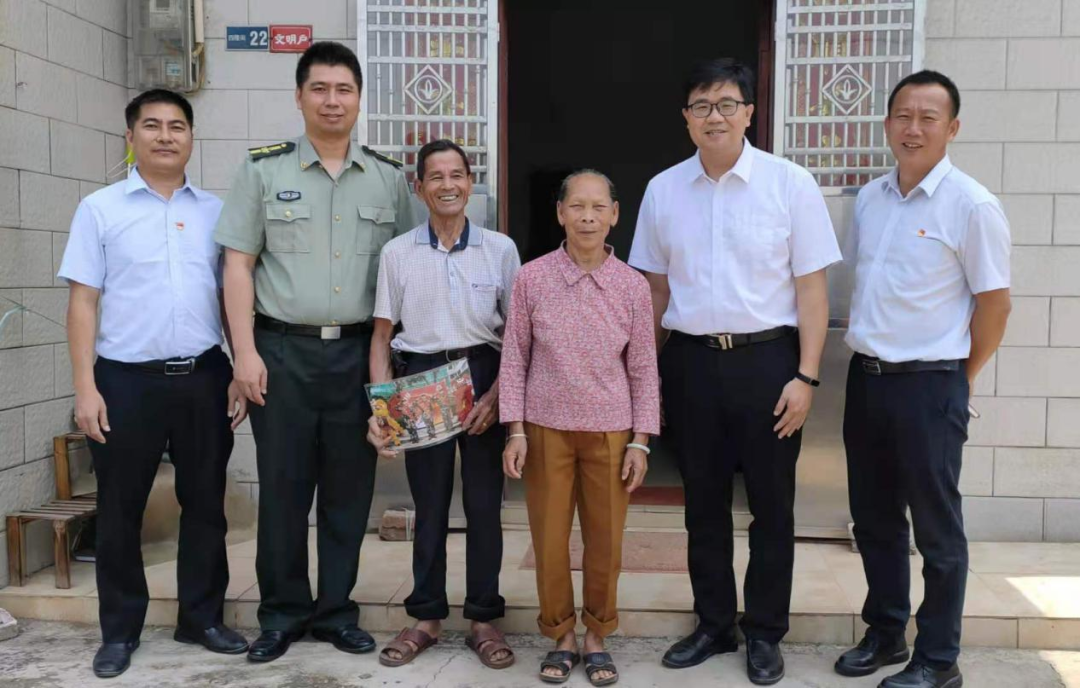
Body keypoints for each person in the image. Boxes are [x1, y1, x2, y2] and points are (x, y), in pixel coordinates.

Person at [628, 58, 841, 685]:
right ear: (686, 118)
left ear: (749, 112)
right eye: (701, 106)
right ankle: (714, 623)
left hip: (769, 364)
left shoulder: (789, 183)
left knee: (773, 507)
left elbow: (812, 290)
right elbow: (655, 292)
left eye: (726, 104)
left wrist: (807, 377)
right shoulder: (664, 189)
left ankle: (765, 632)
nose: (713, 116)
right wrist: (645, 373)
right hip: (691, 363)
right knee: (703, 505)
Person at [214, 41, 416, 663]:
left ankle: (335, 613)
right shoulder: (263, 170)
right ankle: (281, 615)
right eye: (320, 89)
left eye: (344, 89)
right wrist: (243, 353)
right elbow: (237, 265)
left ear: (359, 99)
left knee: (349, 493)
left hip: (359, 356)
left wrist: (395, 377)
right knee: (283, 489)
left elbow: (405, 272)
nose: (332, 101)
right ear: (299, 97)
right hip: (281, 353)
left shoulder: (387, 177)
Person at [59, 89, 249, 679]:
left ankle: (202, 618)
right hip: (124, 382)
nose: (165, 136)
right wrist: (85, 387)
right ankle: (120, 631)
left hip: (204, 378)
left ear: (191, 137)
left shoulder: (217, 212)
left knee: (206, 504)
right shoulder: (100, 209)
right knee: (120, 509)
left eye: (177, 126)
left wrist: (238, 367)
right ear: (130, 137)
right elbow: (83, 303)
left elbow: (230, 295)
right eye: (152, 126)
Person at [835, 70, 1011, 688]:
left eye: (928, 118)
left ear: (952, 128)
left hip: (930, 384)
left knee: (937, 529)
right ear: (887, 124)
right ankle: (886, 632)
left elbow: (995, 305)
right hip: (867, 379)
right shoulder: (871, 198)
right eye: (903, 116)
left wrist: (960, 376)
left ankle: (938, 659)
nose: (913, 128)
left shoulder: (972, 205)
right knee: (874, 519)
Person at [501, 170, 660, 686]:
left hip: (611, 431)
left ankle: (597, 634)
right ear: (560, 213)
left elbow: (643, 368)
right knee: (548, 539)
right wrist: (515, 430)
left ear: (615, 215)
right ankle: (561, 635)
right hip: (544, 428)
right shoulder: (532, 277)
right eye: (577, 206)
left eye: (597, 207)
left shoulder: (632, 285)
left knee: (605, 541)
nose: (587, 217)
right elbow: (514, 357)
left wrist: (641, 440)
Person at [367, 139, 520, 670]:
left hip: (483, 374)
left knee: (484, 506)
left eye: (457, 175)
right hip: (422, 383)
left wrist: (498, 396)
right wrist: (382, 413)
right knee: (428, 506)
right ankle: (426, 616)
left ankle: (484, 618)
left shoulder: (500, 249)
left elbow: (517, 334)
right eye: (436, 176)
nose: (448, 185)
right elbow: (381, 336)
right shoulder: (398, 253)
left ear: (470, 183)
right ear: (419, 188)